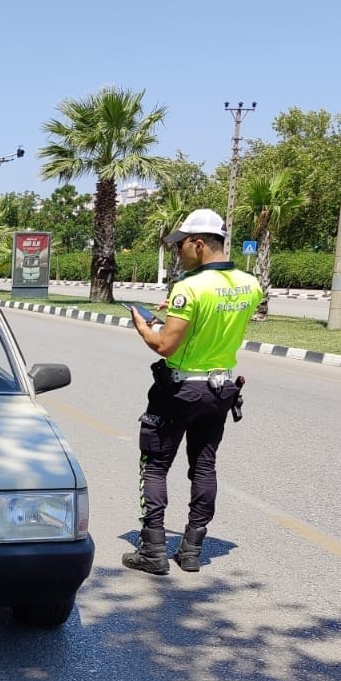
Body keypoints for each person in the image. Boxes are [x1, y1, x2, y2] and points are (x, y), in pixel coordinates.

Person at [122, 209, 262, 575]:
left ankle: (152, 550)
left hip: (180, 388)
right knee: (204, 465)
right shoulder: (249, 284)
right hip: (221, 388)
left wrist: (143, 326)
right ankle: (191, 550)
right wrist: (177, 315)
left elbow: (165, 345)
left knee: (154, 465)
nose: (177, 252)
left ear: (199, 244)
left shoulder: (188, 288)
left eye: (180, 245)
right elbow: (217, 322)